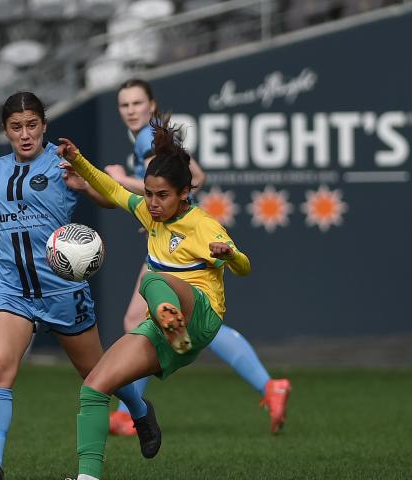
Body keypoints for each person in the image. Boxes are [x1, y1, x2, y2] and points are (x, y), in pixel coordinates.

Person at [0, 92, 159, 480]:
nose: (25, 134)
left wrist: (86, 184)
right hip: (12, 289)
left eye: (32, 125)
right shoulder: (1, 168)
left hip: (62, 292)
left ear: (44, 125)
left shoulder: (62, 159)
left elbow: (110, 198)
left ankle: (140, 411)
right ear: (5, 130)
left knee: (99, 375)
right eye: (15, 127)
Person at [57, 117, 257, 480]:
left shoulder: (203, 226)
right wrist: (80, 160)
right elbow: (115, 190)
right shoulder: (152, 216)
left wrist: (230, 255)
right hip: (167, 326)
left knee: (153, 279)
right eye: (148, 193)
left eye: (161, 195)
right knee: (94, 386)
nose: (151, 202)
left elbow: (245, 267)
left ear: (184, 193)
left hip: (200, 316)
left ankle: (169, 317)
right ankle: (88, 478)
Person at [105, 79, 291, 437]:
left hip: (178, 245)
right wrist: (165, 208)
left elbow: (156, 185)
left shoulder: (147, 138)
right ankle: (269, 386)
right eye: (123, 105)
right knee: (184, 324)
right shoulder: (154, 136)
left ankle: (132, 414)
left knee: (141, 318)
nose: (130, 110)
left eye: (137, 103)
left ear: (152, 105)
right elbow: (198, 177)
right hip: (178, 235)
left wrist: (122, 180)